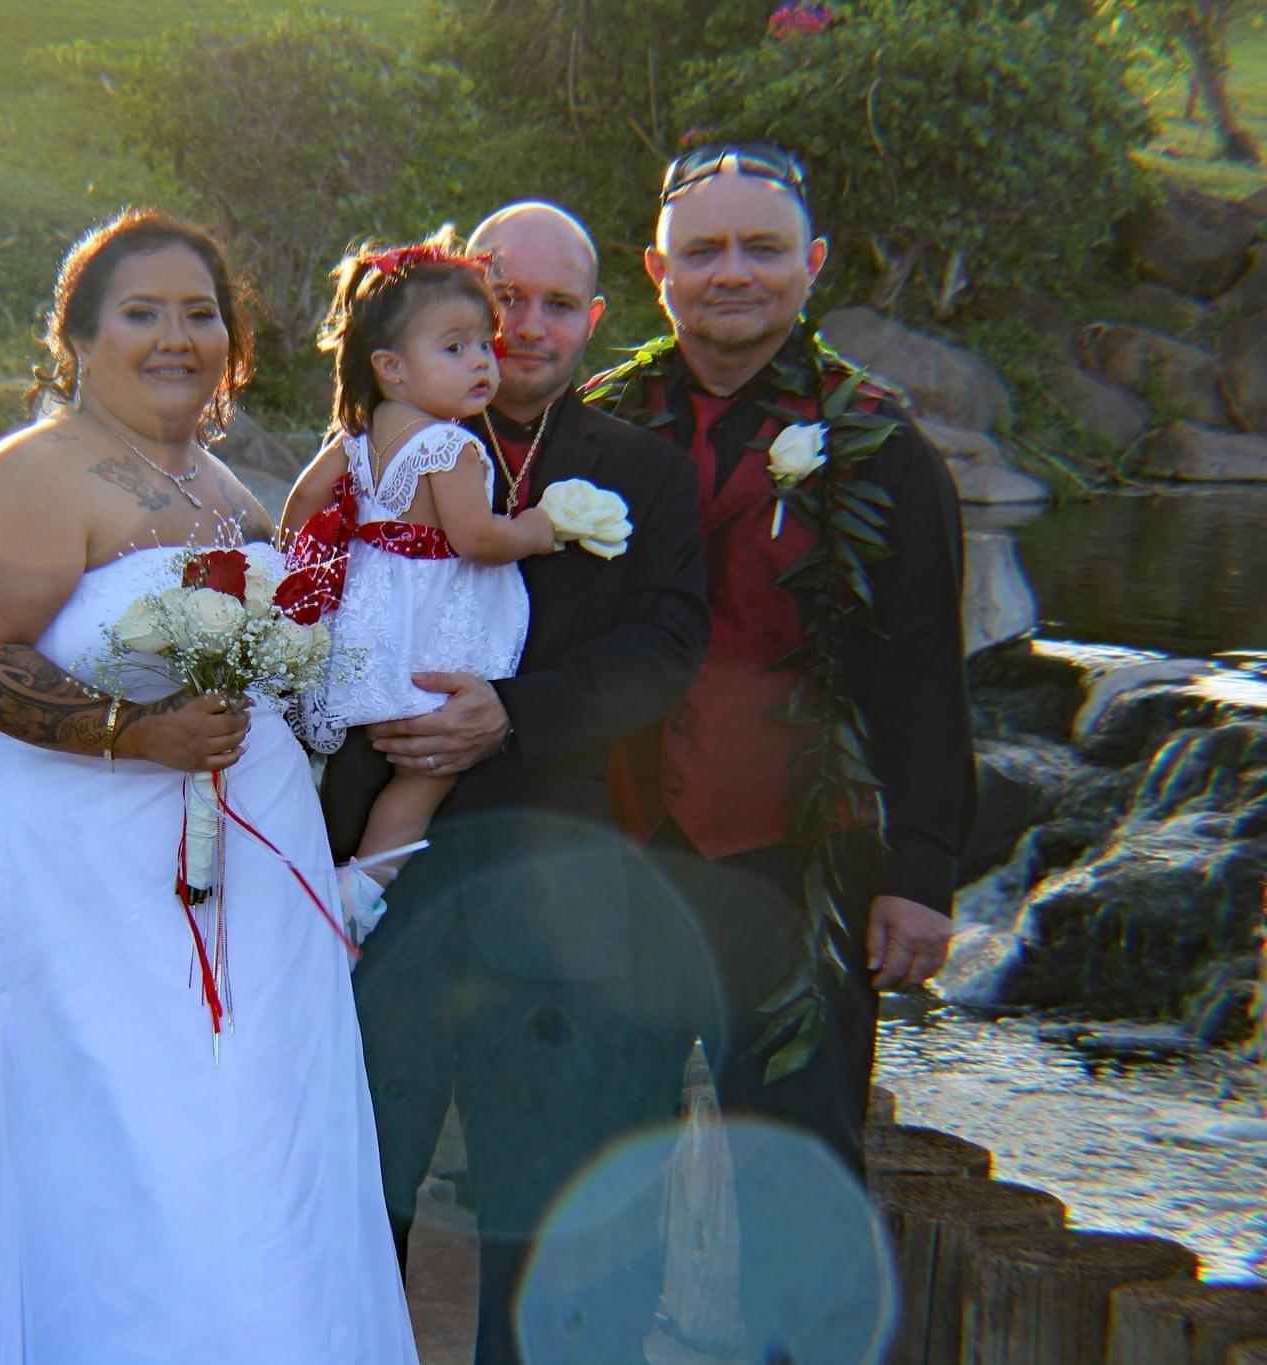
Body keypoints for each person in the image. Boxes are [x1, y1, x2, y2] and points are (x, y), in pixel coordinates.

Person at [0, 207, 418, 1363]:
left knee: (238, 1142)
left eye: (199, 314)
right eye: (140, 314)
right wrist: (128, 732)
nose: (174, 337)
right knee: (108, 1142)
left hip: (240, 877)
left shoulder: (231, 493)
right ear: (79, 338)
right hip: (75, 883)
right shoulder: (35, 477)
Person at [319, 201, 711, 1364]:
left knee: (543, 1207)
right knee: (355, 1185)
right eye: (500, 298)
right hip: (379, 871)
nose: (520, 327)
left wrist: (510, 717)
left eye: (550, 304)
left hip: (552, 871)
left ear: (593, 317)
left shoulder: (641, 471)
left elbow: (665, 650)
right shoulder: (374, 445)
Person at [583, 143, 974, 1173]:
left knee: (794, 1179)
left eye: (761, 248)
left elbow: (926, 674)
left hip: (802, 868)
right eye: (701, 250)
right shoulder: (590, 433)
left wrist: (921, 869)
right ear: (655, 271)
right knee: (587, 1168)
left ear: (813, 263)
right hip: (617, 858)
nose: (731, 272)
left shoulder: (885, 449)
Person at [281, 234, 559, 922]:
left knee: (355, 754)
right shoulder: (451, 445)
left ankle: (314, 864)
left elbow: (300, 506)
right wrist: (537, 529)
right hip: (428, 626)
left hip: (370, 617)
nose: (481, 364)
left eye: (484, 347)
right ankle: (360, 893)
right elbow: (476, 537)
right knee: (426, 771)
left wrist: (316, 555)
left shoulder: (356, 436)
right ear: (392, 367)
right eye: (455, 348)